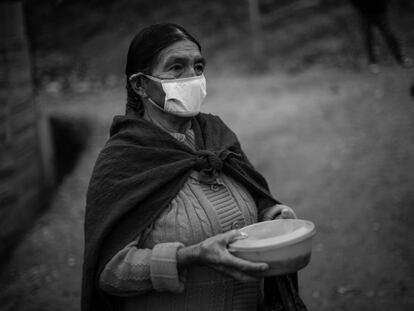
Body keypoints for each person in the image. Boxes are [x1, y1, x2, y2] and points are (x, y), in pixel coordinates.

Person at [81, 23, 307, 311]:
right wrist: (190, 255)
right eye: (176, 68)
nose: (192, 77)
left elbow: (254, 196)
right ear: (140, 84)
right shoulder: (123, 160)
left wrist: (272, 215)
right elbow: (111, 274)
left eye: (198, 67)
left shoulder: (216, 135)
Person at [349, 0, 412, 73]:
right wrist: (360, 8)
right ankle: (372, 63)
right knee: (368, 39)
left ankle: (401, 58)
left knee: (389, 35)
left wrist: (383, 5)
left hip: (380, 12)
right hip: (364, 14)